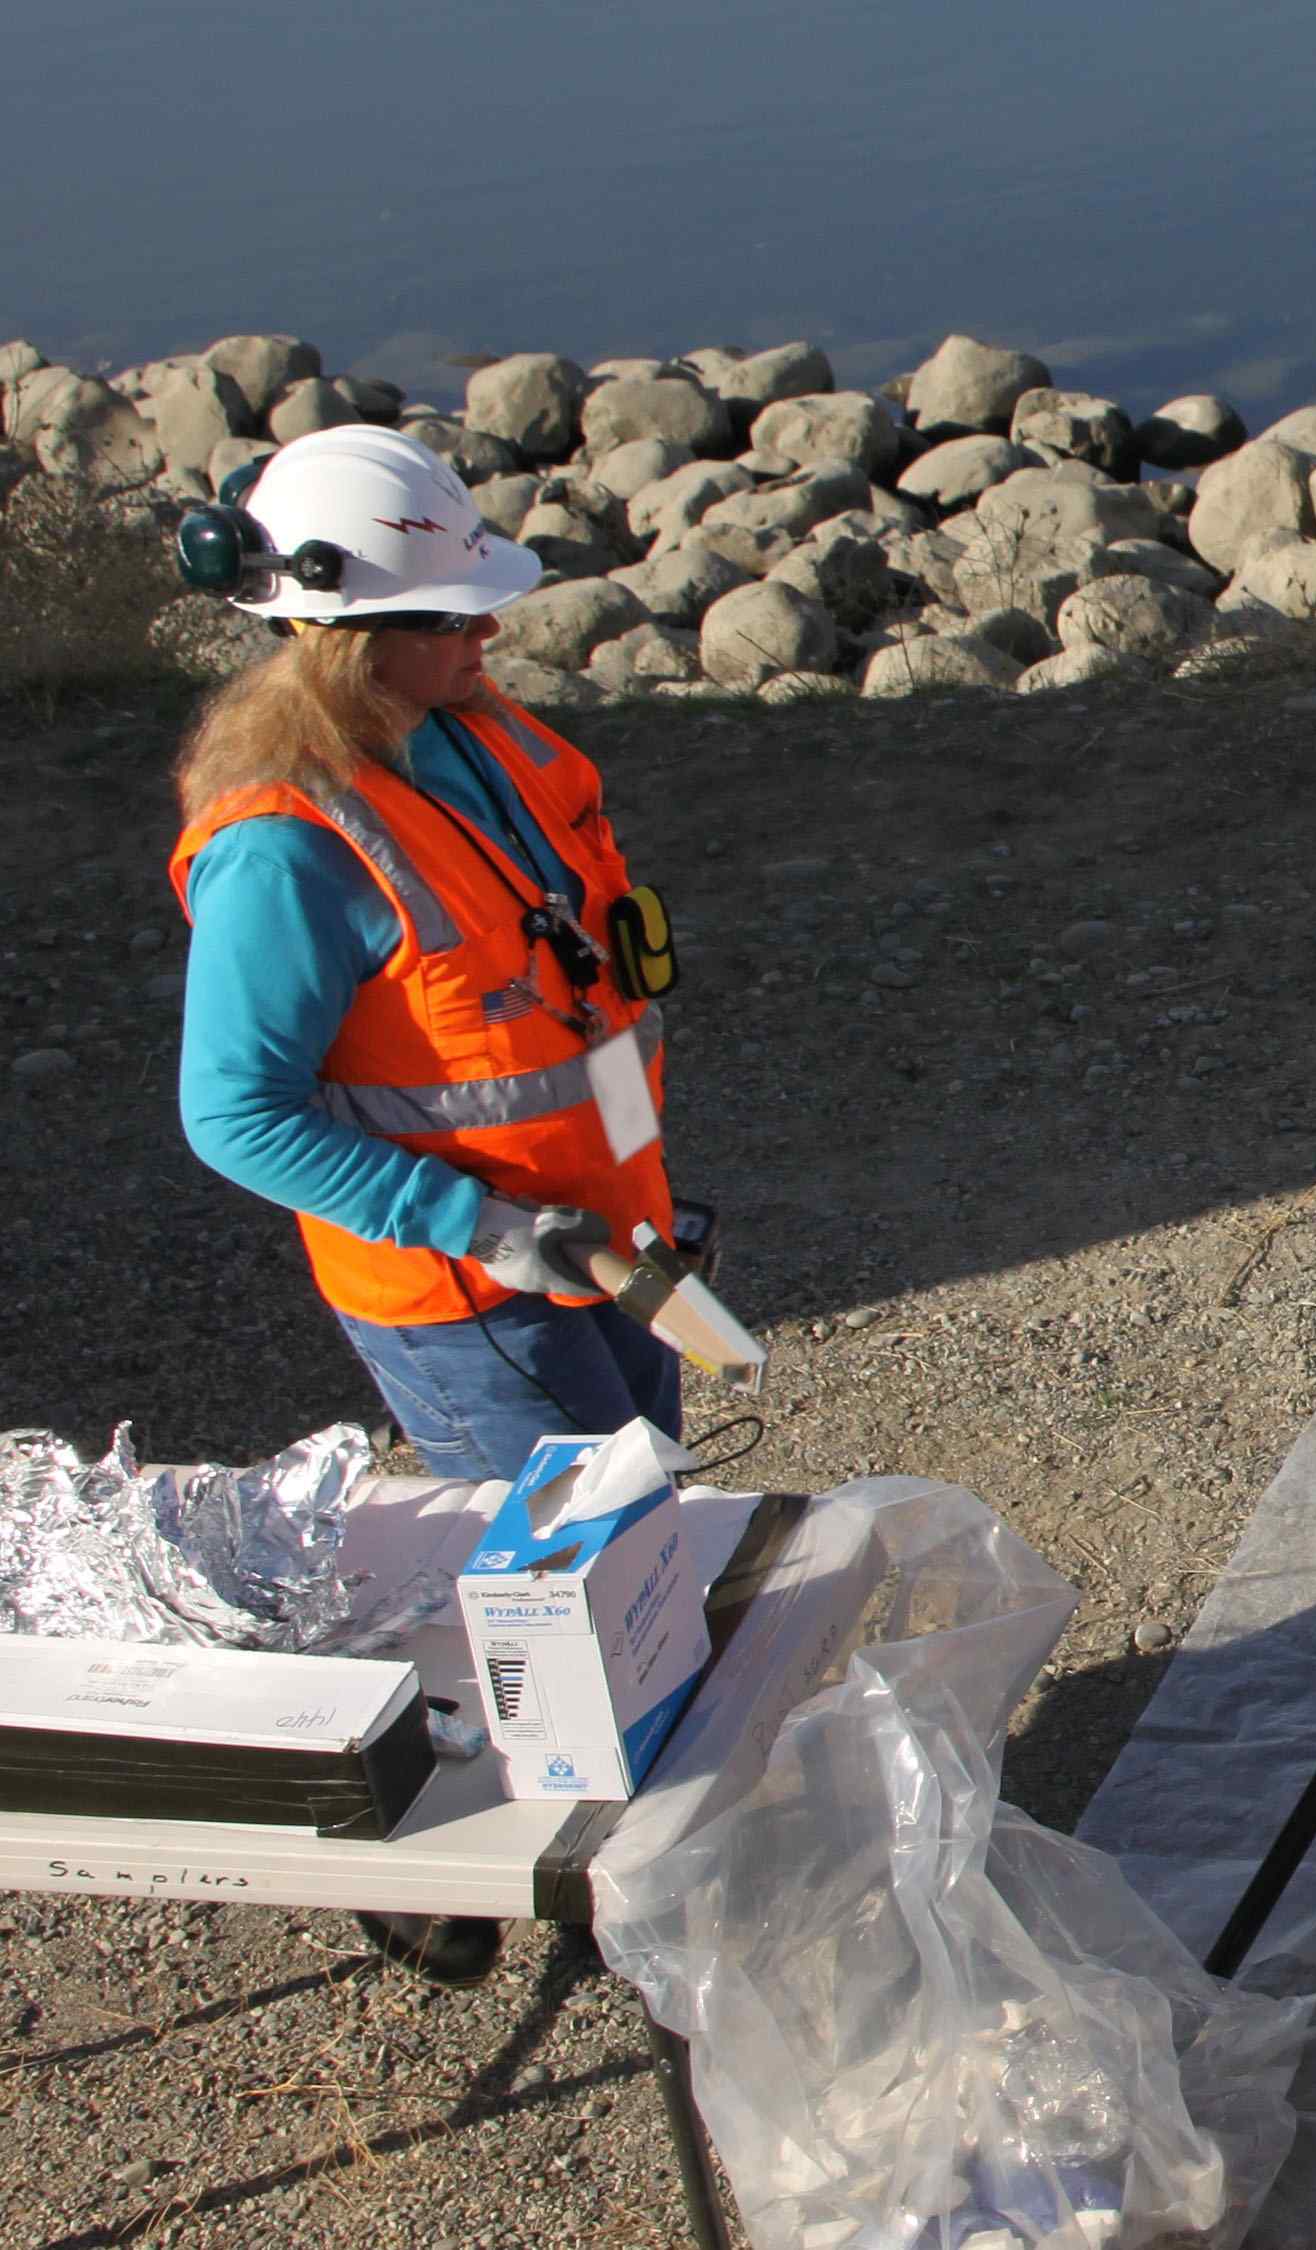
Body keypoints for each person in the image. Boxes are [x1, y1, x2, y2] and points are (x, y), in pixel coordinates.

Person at [166, 425, 683, 1983]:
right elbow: (231, 1112)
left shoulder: (474, 734)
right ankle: (489, 1860)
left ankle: (612, 1836)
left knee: (632, 1535)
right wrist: (482, 1228)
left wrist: (633, 1202)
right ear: (348, 638)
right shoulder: (284, 846)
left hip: (607, 1242)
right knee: (571, 1582)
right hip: (472, 1292)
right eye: (452, 614)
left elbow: (566, 991)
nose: (489, 629)